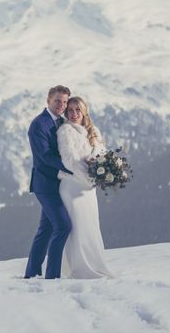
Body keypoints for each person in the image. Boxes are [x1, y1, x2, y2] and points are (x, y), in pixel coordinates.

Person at [57, 96, 113, 278]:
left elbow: (101, 153)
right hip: (73, 186)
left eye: (77, 110)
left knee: (91, 227)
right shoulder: (65, 130)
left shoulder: (93, 131)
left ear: (84, 111)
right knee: (77, 228)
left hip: (88, 190)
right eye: (70, 110)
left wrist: (98, 169)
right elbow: (69, 160)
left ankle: (96, 265)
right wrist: (90, 178)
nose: (73, 114)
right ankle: (79, 270)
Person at [24, 85, 74, 279]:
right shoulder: (38, 124)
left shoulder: (63, 122)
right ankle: (52, 277)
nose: (61, 105)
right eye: (57, 101)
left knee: (46, 230)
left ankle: (31, 274)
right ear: (48, 101)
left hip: (60, 184)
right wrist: (73, 168)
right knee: (63, 226)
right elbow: (45, 156)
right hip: (45, 185)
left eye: (64, 101)